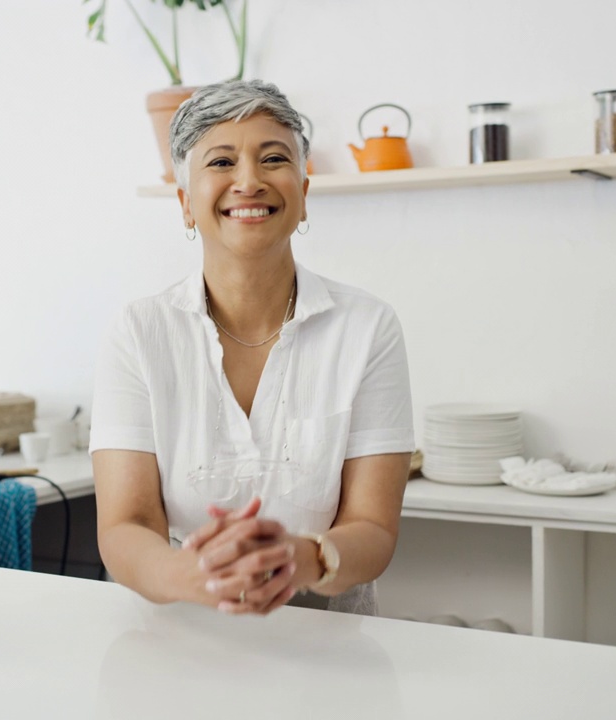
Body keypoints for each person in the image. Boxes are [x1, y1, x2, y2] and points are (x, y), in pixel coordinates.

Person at [90, 79, 414, 616]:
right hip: (178, 637)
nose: (249, 181)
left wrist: (304, 559)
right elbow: (127, 525)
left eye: (273, 158)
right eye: (220, 162)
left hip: (330, 645)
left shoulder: (367, 327)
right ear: (185, 203)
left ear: (303, 196)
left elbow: (374, 528)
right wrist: (193, 576)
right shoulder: (139, 330)